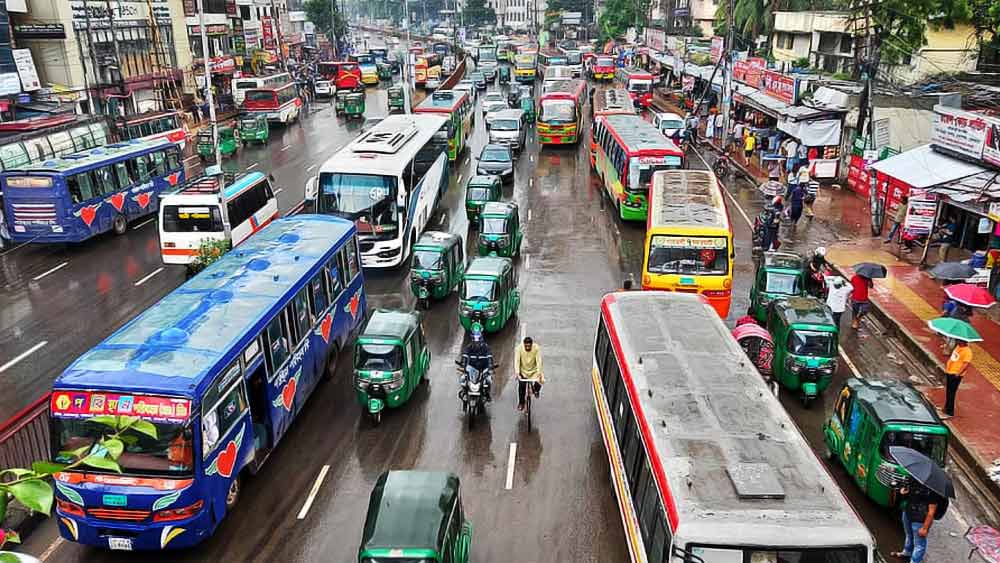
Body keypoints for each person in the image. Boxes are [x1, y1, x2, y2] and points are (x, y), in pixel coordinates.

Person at [893, 483, 941, 563]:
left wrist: (925, 528)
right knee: (909, 535)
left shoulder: (933, 490)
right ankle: (907, 552)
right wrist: (904, 492)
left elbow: (931, 511)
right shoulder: (916, 480)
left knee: (919, 544)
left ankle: (915, 561)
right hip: (908, 512)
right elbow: (909, 494)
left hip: (920, 520)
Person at [461, 327, 494, 402]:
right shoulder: (469, 347)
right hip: (472, 367)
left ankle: (487, 394)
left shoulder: (486, 347)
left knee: (489, 380)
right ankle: (464, 392)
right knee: (462, 379)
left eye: (478, 338)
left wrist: (490, 365)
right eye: (475, 338)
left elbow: (489, 356)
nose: (476, 341)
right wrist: (463, 363)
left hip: (483, 367)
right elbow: (465, 355)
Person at [514, 336, 544, 411]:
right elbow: (517, 361)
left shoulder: (536, 348)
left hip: (534, 371)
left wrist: (539, 373)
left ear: (532, 345)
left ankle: (535, 390)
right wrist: (517, 373)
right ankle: (521, 403)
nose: (527, 348)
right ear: (523, 345)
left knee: (540, 380)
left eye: (529, 346)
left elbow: (539, 361)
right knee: (521, 386)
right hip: (523, 371)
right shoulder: (519, 349)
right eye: (526, 346)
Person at [943, 339, 972, 416]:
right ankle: (946, 407)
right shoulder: (958, 347)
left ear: (963, 341)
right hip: (949, 371)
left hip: (955, 374)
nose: (957, 341)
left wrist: (958, 374)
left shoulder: (967, 351)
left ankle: (950, 411)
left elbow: (966, 364)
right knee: (948, 391)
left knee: (951, 392)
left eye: (958, 340)